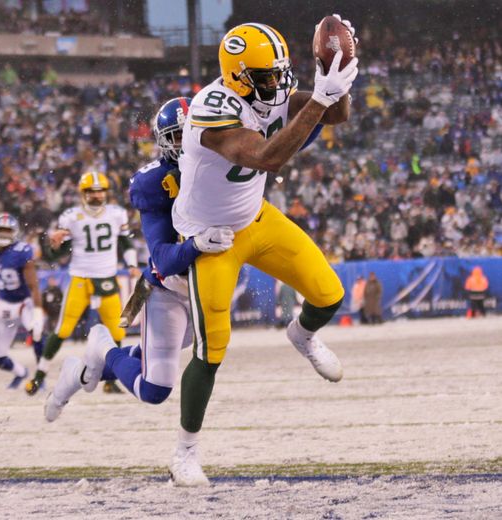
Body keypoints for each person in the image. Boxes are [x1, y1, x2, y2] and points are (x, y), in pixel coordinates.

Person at [169, 17, 359, 484]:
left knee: (329, 295)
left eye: (280, 72)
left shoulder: (265, 90)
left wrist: (335, 76)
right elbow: (268, 156)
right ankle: (184, 454)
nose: (277, 83)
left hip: (256, 218)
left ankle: (301, 335)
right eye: (267, 76)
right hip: (212, 239)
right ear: (238, 77)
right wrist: (318, 97)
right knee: (211, 351)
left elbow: (337, 116)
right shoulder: (211, 111)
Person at [43, 98, 234, 430]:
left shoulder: (227, 167)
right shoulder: (154, 184)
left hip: (207, 289)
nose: (188, 143)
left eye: (194, 132)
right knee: (155, 388)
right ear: (162, 142)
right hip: (169, 287)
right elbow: (162, 257)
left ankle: (81, 372)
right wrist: (198, 244)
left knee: (158, 356)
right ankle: (103, 342)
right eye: (178, 136)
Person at [24, 171, 139, 395]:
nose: (97, 196)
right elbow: (58, 253)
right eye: (92, 192)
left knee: (117, 332)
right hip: (80, 277)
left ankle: (110, 379)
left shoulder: (117, 214)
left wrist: (132, 264)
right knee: (63, 329)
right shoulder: (71, 216)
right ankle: (39, 375)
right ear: (83, 193)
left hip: (107, 277)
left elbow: (125, 242)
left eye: (100, 191)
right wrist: (54, 245)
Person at [0, 212, 46, 388]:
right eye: (0, 230)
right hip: (4, 305)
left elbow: (33, 286)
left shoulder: (21, 251)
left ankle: (40, 376)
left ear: (14, 232)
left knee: (37, 333)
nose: (3, 234)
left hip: (24, 302)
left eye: (7, 230)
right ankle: (21, 372)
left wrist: (38, 313)